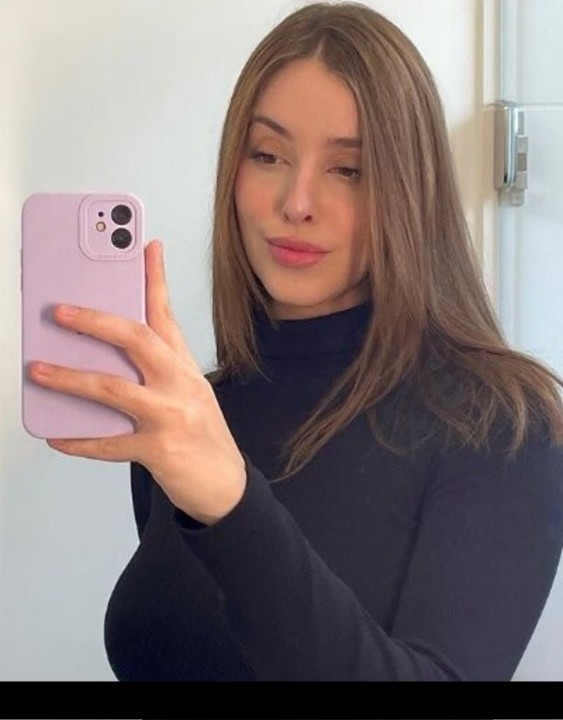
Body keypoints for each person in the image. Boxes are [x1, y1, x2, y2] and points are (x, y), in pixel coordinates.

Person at [30, 1, 563, 681]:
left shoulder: (501, 425)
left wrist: (232, 504)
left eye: (348, 169)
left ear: (410, 192)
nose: (296, 202)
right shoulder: (200, 415)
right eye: (268, 155)